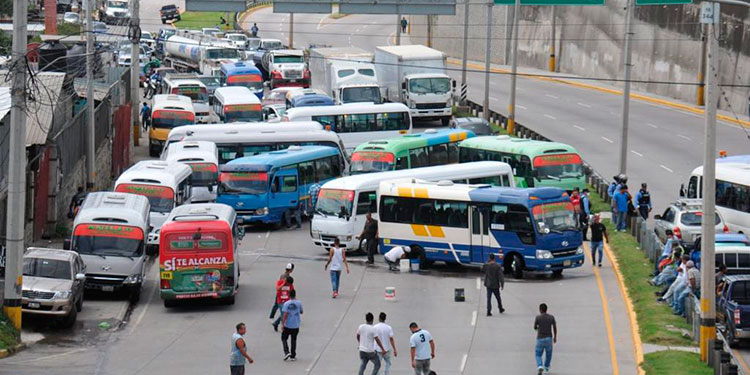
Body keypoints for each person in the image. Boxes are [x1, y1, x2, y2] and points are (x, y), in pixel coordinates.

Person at [534, 303, 557, 375]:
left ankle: (540, 365)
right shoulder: (551, 317)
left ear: (540, 310)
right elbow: (554, 327)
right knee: (549, 354)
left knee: (538, 354)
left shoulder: (538, 317)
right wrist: (555, 336)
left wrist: (538, 329)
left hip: (540, 339)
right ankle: (546, 367)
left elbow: (535, 327)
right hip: (549, 338)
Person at [281, 289, 303, 361]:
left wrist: (282, 324)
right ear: (295, 294)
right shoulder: (299, 303)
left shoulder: (286, 304)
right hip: (296, 324)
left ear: (289, 295)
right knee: (293, 339)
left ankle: (286, 351)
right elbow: (301, 311)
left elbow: (285, 314)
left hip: (288, 324)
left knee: (284, 338)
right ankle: (293, 355)